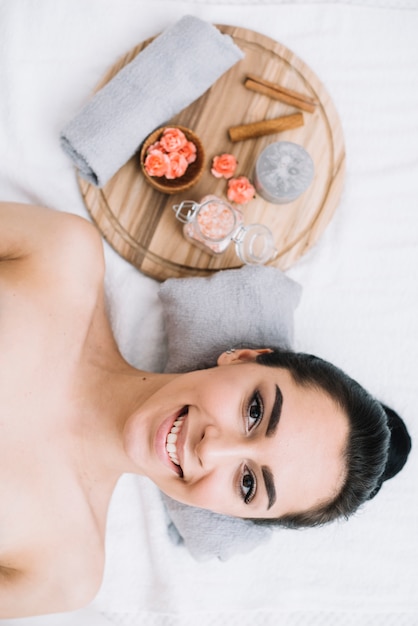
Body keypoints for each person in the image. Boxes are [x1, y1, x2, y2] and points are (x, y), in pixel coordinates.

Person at [0, 202, 411, 618]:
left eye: (248, 484)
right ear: (244, 356)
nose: (211, 450)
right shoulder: (59, 256)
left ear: (229, 514)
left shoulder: (62, 573)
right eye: (254, 411)